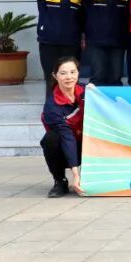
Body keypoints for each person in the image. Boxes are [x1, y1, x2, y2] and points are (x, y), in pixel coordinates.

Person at [30, 0, 83, 95]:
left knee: (71, 78)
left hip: (71, 43)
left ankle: (71, 105)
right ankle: (52, 106)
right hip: (49, 43)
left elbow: (82, 17)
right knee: (52, 77)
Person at [76, 0, 128, 86]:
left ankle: (114, 100)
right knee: (98, 76)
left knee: (116, 77)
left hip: (118, 40)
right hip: (96, 41)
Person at [39, 56, 85, 197]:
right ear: (55, 76)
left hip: (89, 144)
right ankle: (60, 181)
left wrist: (99, 94)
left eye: (73, 72)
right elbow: (67, 137)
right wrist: (76, 175)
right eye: (63, 73)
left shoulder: (87, 93)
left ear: (78, 73)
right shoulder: (52, 106)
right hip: (66, 147)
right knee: (50, 139)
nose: (69, 77)